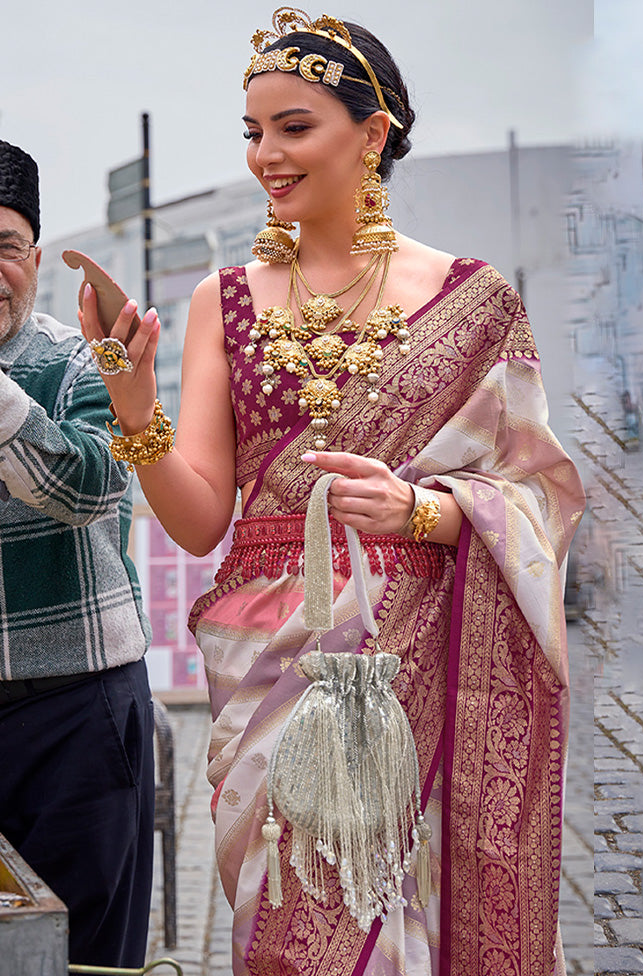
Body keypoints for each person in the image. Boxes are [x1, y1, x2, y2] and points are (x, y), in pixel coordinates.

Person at [81, 8, 586, 974]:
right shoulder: (220, 302)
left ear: (375, 131)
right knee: (290, 934)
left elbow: (539, 499)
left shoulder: (472, 302)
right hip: (270, 665)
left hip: (423, 665)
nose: (266, 154)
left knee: (414, 924)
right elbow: (197, 524)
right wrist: (136, 408)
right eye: (253, 132)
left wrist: (423, 512)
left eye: (294, 127)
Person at [0, 139, 154, 969]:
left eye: (5, 247)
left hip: (78, 714)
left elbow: (91, 487)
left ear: (34, 257)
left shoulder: (78, 361)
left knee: (82, 956)